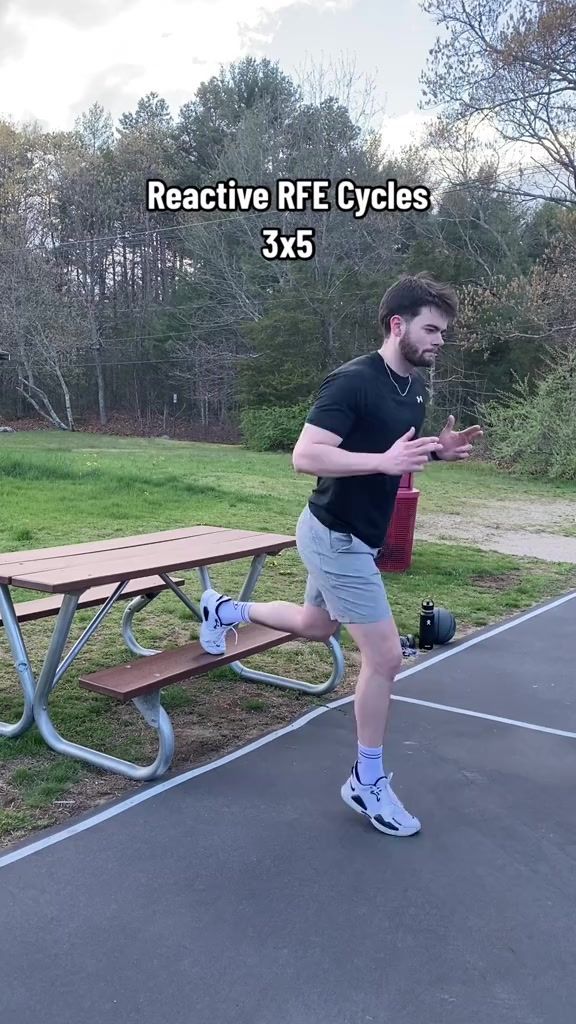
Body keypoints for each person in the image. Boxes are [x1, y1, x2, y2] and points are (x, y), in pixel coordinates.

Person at [199, 273, 483, 838]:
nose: (439, 341)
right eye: (431, 329)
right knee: (386, 659)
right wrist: (382, 461)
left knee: (313, 624)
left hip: (352, 534)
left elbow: (392, 454)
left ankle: (223, 609)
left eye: (444, 333)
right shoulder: (352, 381)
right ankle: (367, 780)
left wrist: (437, 453)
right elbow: (306, 456)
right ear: (397, 324)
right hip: (336, 537)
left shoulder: (415, 390)